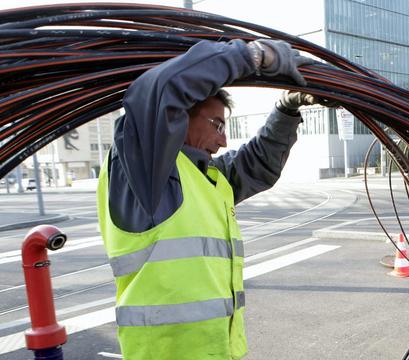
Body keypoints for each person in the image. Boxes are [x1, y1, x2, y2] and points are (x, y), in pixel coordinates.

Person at [96, 38, 330, 359]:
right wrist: (253, 56)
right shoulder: (145, 171)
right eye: (217, 125)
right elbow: (158, 90)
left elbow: (257, 164)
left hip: (215, 350)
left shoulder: (205, 177)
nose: (222, 140)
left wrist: (286, 110)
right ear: (177, 117)